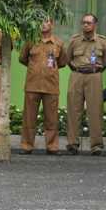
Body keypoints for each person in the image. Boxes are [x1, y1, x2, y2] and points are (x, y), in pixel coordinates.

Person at [18, 18, 67, 155]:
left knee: (51, 119)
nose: (43, 24)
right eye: (40, 21)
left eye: (46, 21)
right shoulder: (30, 41)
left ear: (52, 24)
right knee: (29, 118)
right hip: (32, 85)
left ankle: (52, 147)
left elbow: (62, 62)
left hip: (51, 86)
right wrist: (36, 68)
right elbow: (23, 58)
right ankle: (27, 146)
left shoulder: (58, 43)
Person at [65, 13, 106, 155]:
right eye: (84, 22)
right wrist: (77, 69)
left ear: (95, 25)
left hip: (94, 76)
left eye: (89, 23)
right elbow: (68, 58)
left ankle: (96, 145)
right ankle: (72, 144)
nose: (85, 25)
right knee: (74, 109)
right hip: (77, 75)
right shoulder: (74, 40)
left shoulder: (102, 42)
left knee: (95, 111)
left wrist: (96, 70)